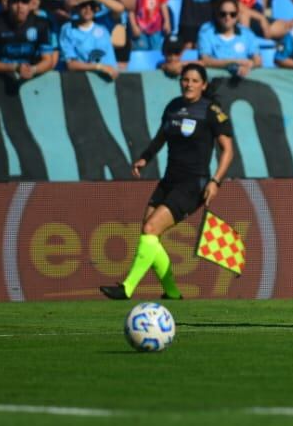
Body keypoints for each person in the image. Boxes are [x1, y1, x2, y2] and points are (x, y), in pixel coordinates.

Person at [98, 61, 236, 301]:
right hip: (170, 180)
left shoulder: (211, 111)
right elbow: (161, 137)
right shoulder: (173, 107)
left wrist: (215, 181)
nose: (189, 84)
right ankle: (172, 292)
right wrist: (145, 158)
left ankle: (127, 287)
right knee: (149, 233)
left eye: (194, 80)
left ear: (203, 85)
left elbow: (228, 151)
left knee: (150, 228)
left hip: (194, 183)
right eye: (185, 79)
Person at [0, 0, 59, 81]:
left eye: (24, 2)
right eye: (15, 2)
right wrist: (14, 67)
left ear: (30, 5)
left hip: (31, 77)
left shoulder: (41, 24)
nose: (20, 7)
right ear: (8, 4)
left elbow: (48, 60)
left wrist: (33, 70)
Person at [196, 0, 263, 76]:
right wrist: (233, 63)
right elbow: (205, 61)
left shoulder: (247, 34)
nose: (228, 18)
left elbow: (258, 60)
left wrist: (250, 65)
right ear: (217, 14)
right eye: (223, 14)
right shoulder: (206, 32)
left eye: (232, 14)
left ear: (238, 15)